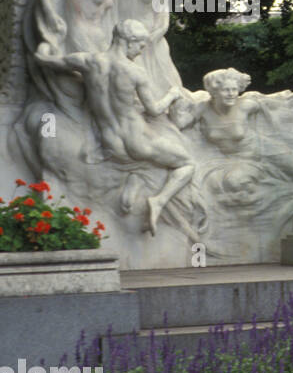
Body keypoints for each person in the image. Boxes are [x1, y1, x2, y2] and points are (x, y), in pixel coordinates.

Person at [34, 19, 194, 235]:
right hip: (138, 141)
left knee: (137, 162)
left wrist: (46, 42)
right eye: (140, 45)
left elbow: (44, 60)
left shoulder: (87, 62)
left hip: (109, 144)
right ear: (128, 40)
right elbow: (154, 110)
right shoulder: (136, 72)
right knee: (187, 163)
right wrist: (173, 95)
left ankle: (133, 180)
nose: (140, 52)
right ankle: (158, 200)